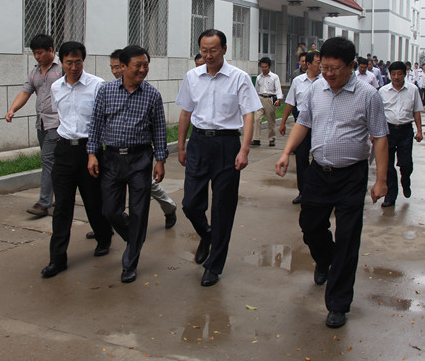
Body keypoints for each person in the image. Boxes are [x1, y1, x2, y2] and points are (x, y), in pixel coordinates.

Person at [274, 36, 388, 329]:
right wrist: (286, 152)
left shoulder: (368, 95)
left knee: (348, 238)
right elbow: (304, 122)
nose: (328, 73)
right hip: (319, 172)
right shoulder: (316, 89)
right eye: (324, 68)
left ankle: (338, 304)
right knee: (310, 226)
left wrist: (381, 180)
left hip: (351, 176)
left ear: (351, 66)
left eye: (335, 69)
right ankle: (325, 259)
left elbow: (379, 138)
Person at [176, 29, 262, 287]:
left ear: (224, 49)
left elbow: (248, 115)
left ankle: (214, 265)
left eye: (213, 50)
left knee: (223, 208)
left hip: (227, 144)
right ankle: (207, 233)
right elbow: (185, 113)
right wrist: (181, 146)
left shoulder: (239, 78)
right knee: (190, 204)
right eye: (204, 50)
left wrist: (244, 149)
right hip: (199, 142)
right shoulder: (192, 77)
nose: (208, 55)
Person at [87, 45, 168, 283]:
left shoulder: (152, 95)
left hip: (140, 159)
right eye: (137, 66)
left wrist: (160, 160)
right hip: (111, 159)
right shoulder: (106, 91)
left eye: (146, 65)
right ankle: (134, 236)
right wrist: (92, 154)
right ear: (122, 66)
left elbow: (159, 130)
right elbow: (96, 124)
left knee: (139, 210)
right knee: (109, 211)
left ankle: (130, 263)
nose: (143, 70)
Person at [41, 41, 113, 279]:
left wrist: (95, 152)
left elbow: (104, 120)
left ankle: (104, 237)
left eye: (78, 62)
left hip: (89, 151)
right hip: (63, 150)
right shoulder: (56, 87)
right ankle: (57, 259)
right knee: (62, 206)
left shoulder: (97, 85)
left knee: (93, 201)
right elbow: (59, 116)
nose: (73, 67)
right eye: (69, 63)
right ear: (61, 62)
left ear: (84, 61)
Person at [5, 34, 62, 217]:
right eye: (34, 53)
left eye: (40, 53)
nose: (37, 57)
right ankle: (61, 196)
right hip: (41, 123)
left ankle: (43, 203)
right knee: (55, 163)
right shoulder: (35, 72)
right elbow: (25, 92)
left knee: (47, 160)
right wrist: (12, 109)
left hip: (57, 123)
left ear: (50, 50)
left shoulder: (62, 68)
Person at [378, 61, 424, 207]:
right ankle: (390, 196)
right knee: (388, 165)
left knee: (406, 163)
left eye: (399, 74)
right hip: (388, 131)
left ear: (405, 74)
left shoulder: (413, 90)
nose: (396, 77)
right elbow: (378, 114)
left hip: (405, 131)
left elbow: (417, 111)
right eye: (393, 74)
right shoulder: (382, 91)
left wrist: (419, 131)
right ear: (389, 75)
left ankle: (405, 179)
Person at [279, 50, 321, 204]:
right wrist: (283, 122)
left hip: (319, 125)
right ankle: (303, 192)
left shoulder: (325, 81)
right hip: (302, 125)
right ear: (308, 64)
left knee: (319, 159)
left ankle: (317, 190)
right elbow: (290, 102)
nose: (320, 65)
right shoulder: (298, 81)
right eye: (318, 62)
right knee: (301, 158)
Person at [252, 57, 283, 147]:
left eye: (265, 67)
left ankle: (272, 138)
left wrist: (278, 99)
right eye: (262, 67)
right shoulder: (259, 77)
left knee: (271, 120)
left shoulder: (274, 77)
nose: (264, 69)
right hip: (260, 98)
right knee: (257, 119)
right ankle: (256, 139)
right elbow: (256, 90)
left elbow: (278, 89)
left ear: (269, 66)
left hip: (270, 99)